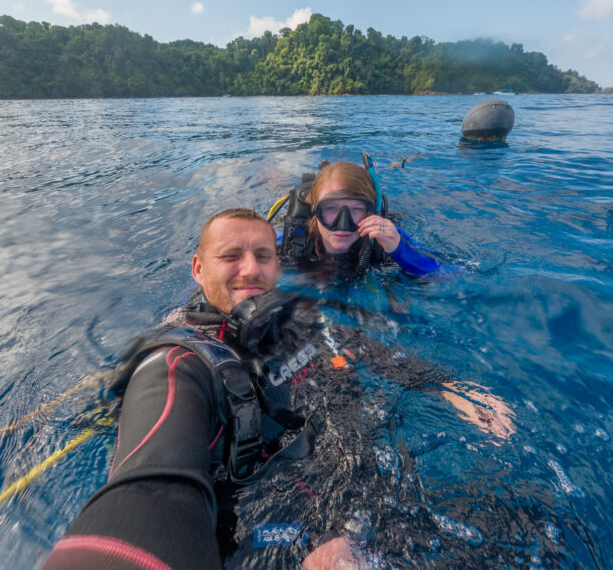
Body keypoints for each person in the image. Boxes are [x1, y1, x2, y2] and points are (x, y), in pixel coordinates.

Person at [44, 208, 513, 570]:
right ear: (197, 269)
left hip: (346, 492)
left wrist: (449, 387)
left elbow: (362, 349)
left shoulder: (287, 317)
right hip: (259, 528)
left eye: (262, 256)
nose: (250, 270)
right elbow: (149, 496)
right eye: (231, 257)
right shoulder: (177, 365)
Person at [277, 160, 455, 279]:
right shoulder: (293, 237)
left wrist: (399, 250)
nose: (343, 225)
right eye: (331, 208)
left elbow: (451, 275)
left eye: (356, 209)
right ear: (314, 210)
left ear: (372, 212)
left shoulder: (388, 238)